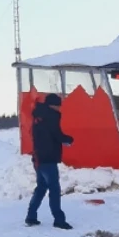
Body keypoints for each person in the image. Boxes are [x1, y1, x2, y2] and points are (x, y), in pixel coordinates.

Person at [25, 94, 74, 229]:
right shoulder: (51, 116)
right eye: (58, 105)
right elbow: (56, 134)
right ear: (52, 105)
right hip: (48, 158)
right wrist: (68, 139)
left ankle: (31, 216)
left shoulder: (38, 116)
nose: (59, 108)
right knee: (54, 189)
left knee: (41, 188)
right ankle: (59, 220)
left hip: (38, 158)